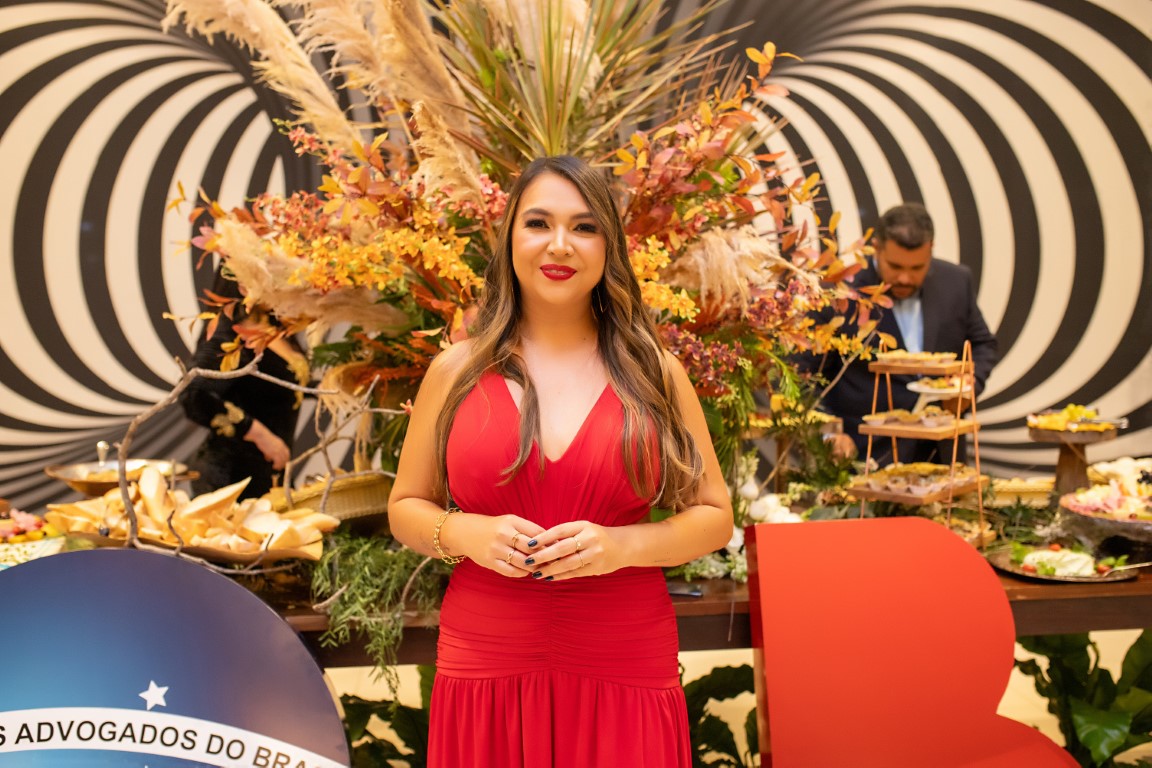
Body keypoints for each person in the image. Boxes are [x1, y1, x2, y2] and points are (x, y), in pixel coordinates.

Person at [388, 155, 733, 767]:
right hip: (487, 653)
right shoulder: (455, 372)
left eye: (584, 226)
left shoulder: (655, 374)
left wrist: (622, 546)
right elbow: (405, 506)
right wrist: (465, 533)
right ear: (509, 239)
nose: (559, 245)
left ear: (609, 246)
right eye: (538, 223)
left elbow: (714, 516)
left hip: (623, 652)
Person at [807, 203, 998, 465]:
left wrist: (968, 386)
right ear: (876, 248)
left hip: (941, 454)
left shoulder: (956, 281)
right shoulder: (838, 291)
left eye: (917, 268)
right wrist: (829, 433)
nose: (905, 278)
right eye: (895, 266)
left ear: (931, 249)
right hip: (863, 452)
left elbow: (983, 344)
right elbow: (803, 374)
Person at [179, 267, 308, 499]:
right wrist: (259, 434)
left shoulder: (278, 327)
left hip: (269, 475)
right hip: (230, 478)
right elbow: (193, 395)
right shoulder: (229, 330)